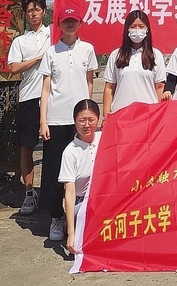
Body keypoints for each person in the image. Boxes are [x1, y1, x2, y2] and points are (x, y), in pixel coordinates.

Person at [38, 6, 98, 241]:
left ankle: (82, 216)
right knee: (54, 171)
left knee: (85, 170)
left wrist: (90, 115)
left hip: (80, 121)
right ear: (59, 25)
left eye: (74, 20)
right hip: (56, 119)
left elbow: (90, 83)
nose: (70, 24)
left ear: (80, 23)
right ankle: (56, 217)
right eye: (65, 21)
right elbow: (45, 89)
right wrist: (43, 121)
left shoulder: (88, 50)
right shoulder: (51, 53)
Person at [7, 0, 51, 215]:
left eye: (37, 9)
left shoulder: (53, 34)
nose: (33, 13)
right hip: (29, 97)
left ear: (44, 11)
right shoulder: (20, 41)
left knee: (54, 145)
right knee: (27, 147)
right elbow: (14, 68)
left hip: (52, 97)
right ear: (25, 14)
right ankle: (29, 192)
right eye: (29, 10)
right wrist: (38, 59)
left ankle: (53, 191)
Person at [102, 10, 166, 119]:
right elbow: (109, 87)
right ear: (127, 29)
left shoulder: (156, 55)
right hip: (121, 115)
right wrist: (106, 115)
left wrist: (160, 115)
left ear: (147, 29)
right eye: (133, 26)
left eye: (141, 26)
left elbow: (159, 87)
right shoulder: (116, 55)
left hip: (148, 116)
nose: (137, 30)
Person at [58, 99, 102, 255]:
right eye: (82, 120)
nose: (87, 125)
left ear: (98, 119)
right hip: (82, 203)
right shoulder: (70, 153)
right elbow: (69, 193)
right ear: (74, 121)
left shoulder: (104, 138)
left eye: (91, 120)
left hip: (103, 197)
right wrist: (71, 234)